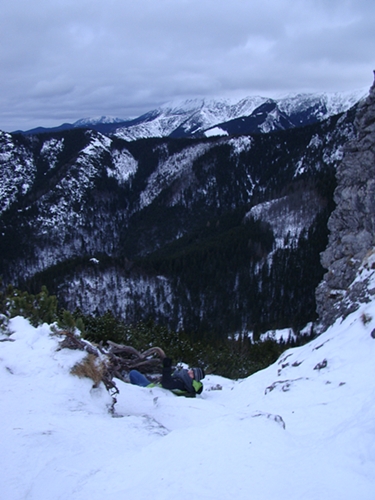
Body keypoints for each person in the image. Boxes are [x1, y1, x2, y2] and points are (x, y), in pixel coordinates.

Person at [129, 357, 205, 397]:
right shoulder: (185, 380)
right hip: (155, 387)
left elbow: (167, 383)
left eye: (192, 373)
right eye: (191, 370)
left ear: (194, 378)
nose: (189, 372)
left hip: (150, 390)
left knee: (133, 373)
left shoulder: (184, 384)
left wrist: (166, 367)